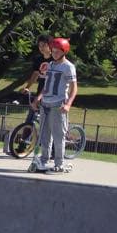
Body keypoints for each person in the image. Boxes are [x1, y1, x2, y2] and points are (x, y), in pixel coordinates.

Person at [31, 37, 77, 174]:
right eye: (53, 51)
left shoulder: (68, 67)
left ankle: (59, 164)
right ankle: (44, 161)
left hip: (58, 105)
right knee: (45, 136)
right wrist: (38, 99)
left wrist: (68, 104)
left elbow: (74, 88)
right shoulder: (49, 65)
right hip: (45, 104)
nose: (55, 53)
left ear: (64, 51)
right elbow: (46, 86)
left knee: (58, 136)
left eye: (58, 51)